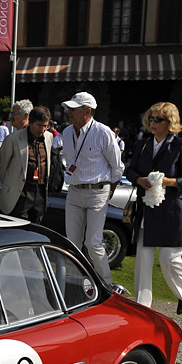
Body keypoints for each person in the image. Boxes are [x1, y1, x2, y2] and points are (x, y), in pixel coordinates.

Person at [125, 102, 182, 313]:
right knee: (143, 260)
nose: (153, 123)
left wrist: (169, 181)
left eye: (158, 119)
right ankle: (141, 306)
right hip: (148, 209)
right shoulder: (144, 143)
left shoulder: (181, 145)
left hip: (173, 210)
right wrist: (138, 179)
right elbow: (130, 171)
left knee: (169, 259)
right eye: (151, 118)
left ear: (170, 122)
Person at [61, 91, 124, 286]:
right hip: (73, 191)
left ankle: (106, 284)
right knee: (72, 242)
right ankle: (77, 282)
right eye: (69, 108)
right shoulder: (66, 132)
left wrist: (108, 191)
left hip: (97, 191)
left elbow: (117, 167)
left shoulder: (103, 132)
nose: (69, 112)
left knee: (93, 243)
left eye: (74, 108)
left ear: (87, 111)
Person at [0, 106, 53, 222]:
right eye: (39, 125)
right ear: (30, 122)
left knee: (37, 228)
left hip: (40, 192)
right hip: (20, 192)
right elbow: (2, 168)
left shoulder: (49, 137)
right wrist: (11, 185)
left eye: (45, 126)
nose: (42, 129)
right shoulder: (13, 139)